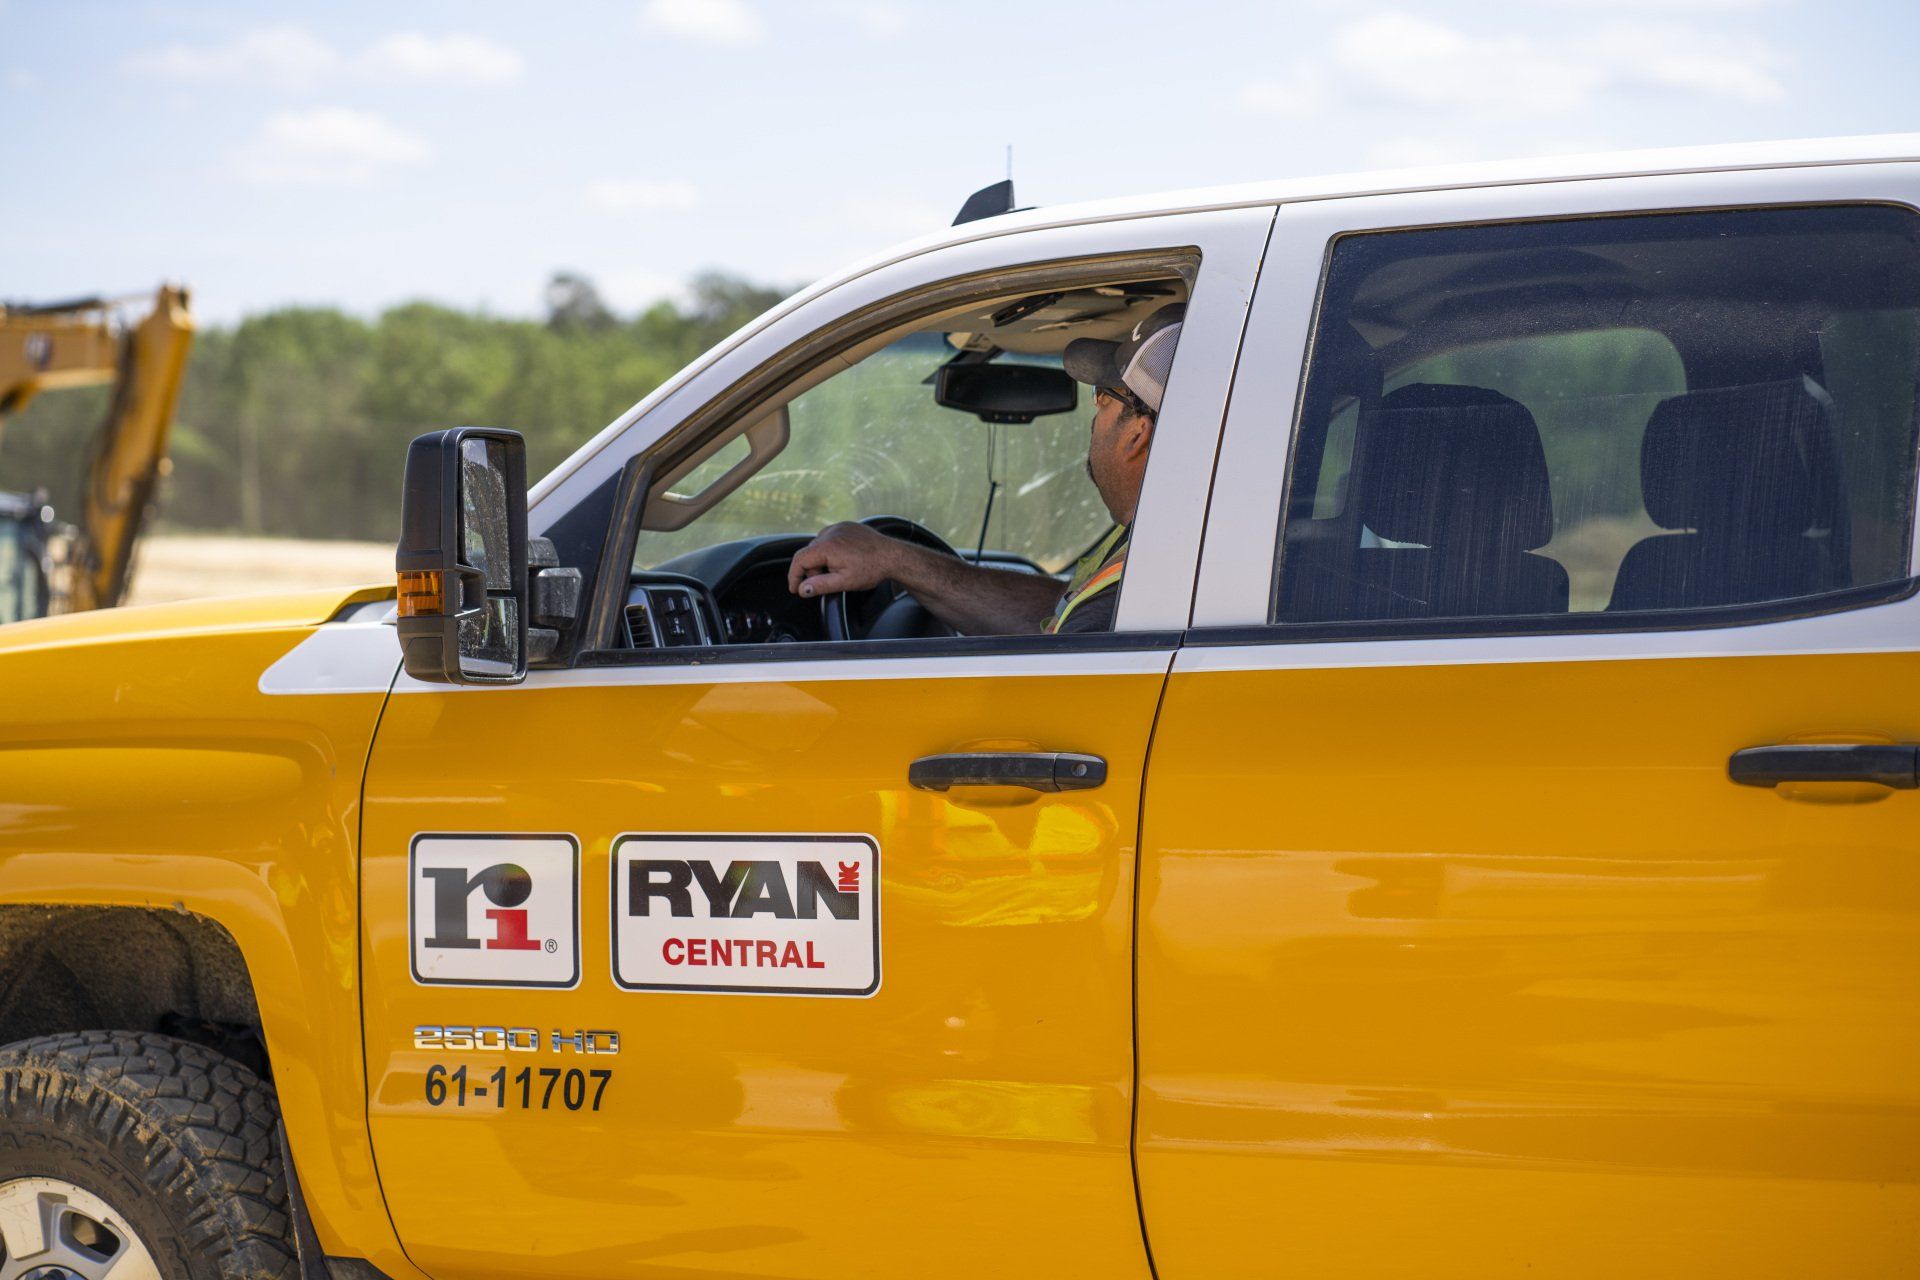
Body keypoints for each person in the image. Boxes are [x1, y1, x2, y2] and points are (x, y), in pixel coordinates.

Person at [786, 303, 1184, 635]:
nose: (1093, 414)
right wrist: (893, 559)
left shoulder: (1126, 600)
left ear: (1137, 435)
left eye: (1102, 396)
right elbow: (1055, 612)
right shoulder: (1167, 539)